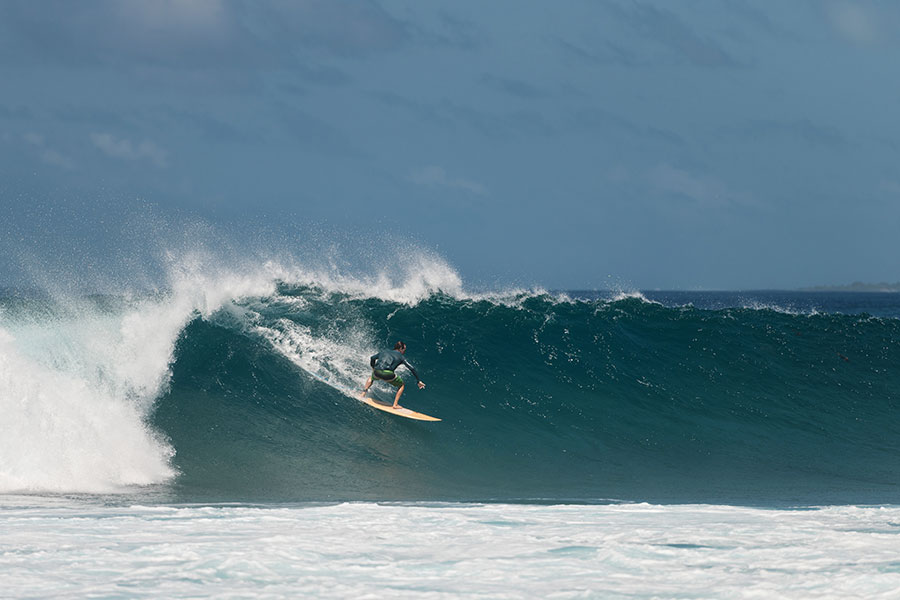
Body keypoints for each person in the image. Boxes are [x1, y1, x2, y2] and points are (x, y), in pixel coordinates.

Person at [361, 341, 426, 408]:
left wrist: (373, 368)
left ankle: (363, 394)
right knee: (401, 385)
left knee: (371, 378)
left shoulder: (384, 351)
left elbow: (372, 358)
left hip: (377, 372)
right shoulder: (401, 357)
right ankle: (395, 404)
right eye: (404, 350)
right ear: (401, 348)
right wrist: (418, 381)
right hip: (388, 374)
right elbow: (412, 368)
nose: (404, 351)